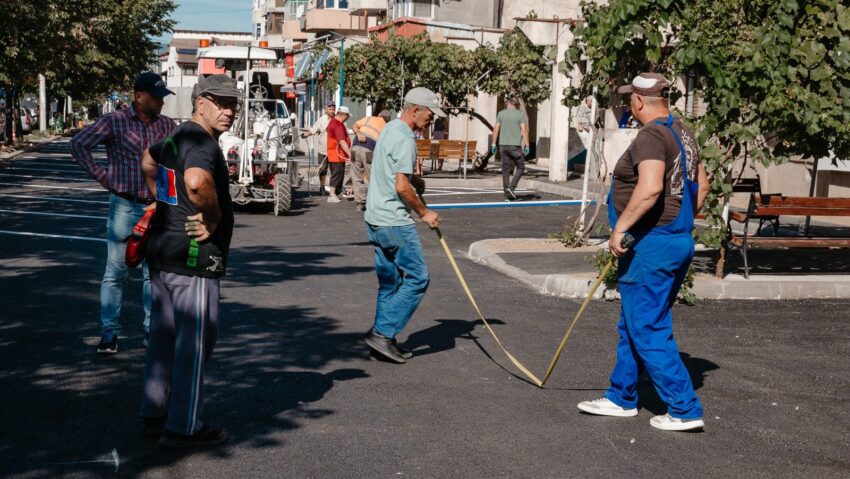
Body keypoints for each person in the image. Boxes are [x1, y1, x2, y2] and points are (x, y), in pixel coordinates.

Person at [576, 73, 710, 432]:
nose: (628, 105)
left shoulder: (651, 136)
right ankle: (621, 397)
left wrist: (621, 228)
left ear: (638, 101)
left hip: (652, 244)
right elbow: (702, 186)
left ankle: (684, 408)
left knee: (648, 327)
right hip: (675, 239)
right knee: (633, 323)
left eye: (629, 99)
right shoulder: (683, 132)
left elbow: (650, 189)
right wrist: (679, 218)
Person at [138, 74, 238, 448]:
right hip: (192, 258)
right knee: (194, 346)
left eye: (234, 105)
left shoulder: (176, 135)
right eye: (221, 103)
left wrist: (162, 201)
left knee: (162, 340)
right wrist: (212, 216)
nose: (229, 111)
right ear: (200, 103)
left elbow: (148, 160)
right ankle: (184, 426)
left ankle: (155, 414)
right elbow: (196, 182)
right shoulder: (201, 143)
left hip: (163, 251)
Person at [70, 72, 175, 354]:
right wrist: (102, 176)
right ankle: (109, 334)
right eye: (157, 97)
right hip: (124, 206)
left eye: (163, 97)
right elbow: (78, 144)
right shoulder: (114, 121)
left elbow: (175, 164)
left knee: (153, 275)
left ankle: (151, 332)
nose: (162, 102)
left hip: (156, 208)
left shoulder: (167, 125)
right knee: (116, 273)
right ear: (139, 97)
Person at [362, 87, 444, 363]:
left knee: (391, 283)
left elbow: (389, 170)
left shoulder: (389, 129)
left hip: (375, 218)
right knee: (418, 278)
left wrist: (414, 180)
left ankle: (383, 341)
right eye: (430, 114)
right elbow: (400, 187)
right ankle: (382, 334)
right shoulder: (406, 139)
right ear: (415, 110)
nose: (432, 119)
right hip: (394, 222)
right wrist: (424, 213)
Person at [351, 109, 392, 211]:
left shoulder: (368, 118)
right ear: (388, 120)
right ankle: (375, 203)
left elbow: (354, 125)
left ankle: (360, 203)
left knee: (356, 177)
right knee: (373, 177)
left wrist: (359, 134)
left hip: (355, 147)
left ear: (379, 115)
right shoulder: (386, 127)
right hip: (369, 150)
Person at [490, 97, 529, 201]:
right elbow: (524, 130)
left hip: (503, 146)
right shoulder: (520, 114)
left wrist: (493, 144)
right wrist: (527, 145)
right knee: (521, 167)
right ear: (515, 104)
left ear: (508, 103)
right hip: (515, 146)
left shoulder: (501, 114)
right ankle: (511, 188)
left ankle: (507, 195)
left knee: (505, 170)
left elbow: (496, 129)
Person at [303, 101, 336, 194]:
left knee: (335, 170)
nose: (332, 111)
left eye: (333, 109)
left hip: (334, 149)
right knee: (323, 169)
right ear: (326, 110)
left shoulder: (337, 119)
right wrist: (306, 134)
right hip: (323, 149)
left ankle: (334, 189)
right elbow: (314, 129)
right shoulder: (322, 120)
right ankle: (322, 187)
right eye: (330, 109)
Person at [325, 105, 351, 203]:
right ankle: (332, 195)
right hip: (336, 154)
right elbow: (342, 141)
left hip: (338, 154)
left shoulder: (334, 122)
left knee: (339, 174)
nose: (348, 118)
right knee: (336, 174)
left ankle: (336, 193)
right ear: (344, 115)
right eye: (347, 116)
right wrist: (350, 154)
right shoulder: (338, 125)